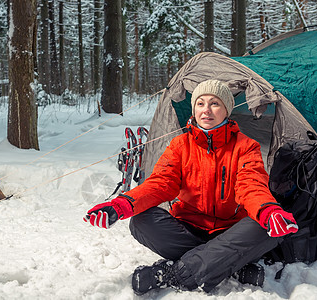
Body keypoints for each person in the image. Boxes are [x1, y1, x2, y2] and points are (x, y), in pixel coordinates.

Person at [84, 79, 299, 295]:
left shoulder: (245, 146)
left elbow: (251, 185)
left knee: (266, 229)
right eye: (200, 103)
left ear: (226, 110)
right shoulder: (180, 145)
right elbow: (160, 183)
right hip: (189, 229)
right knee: (140, 221)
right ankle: (225, 264)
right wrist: (120, 206)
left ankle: (173, 274)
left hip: (230, 232)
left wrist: (268, 211)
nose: (206, 110)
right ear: (194, 108)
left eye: (214, 103)